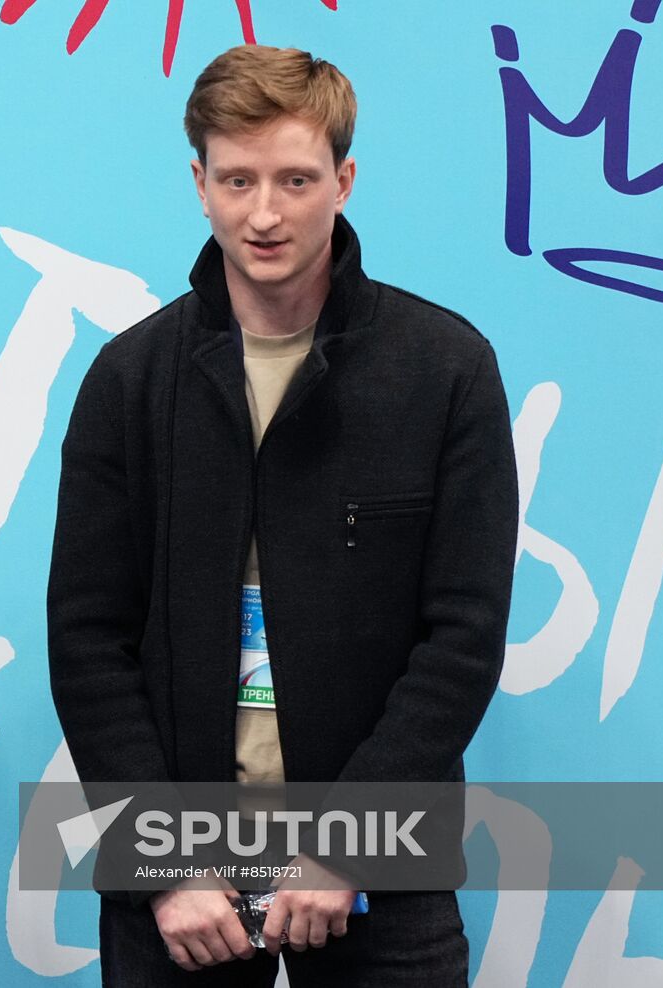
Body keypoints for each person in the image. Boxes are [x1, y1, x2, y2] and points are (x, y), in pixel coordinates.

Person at [48, 46, 518, 986]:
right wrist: (165, 865)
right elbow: (88, 640)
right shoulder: (129, 381)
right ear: (200, 183)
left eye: (296, 179)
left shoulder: (446, 370)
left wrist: (347, 845)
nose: (265, 214)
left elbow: (462, 639)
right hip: (183, 884)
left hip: (386, 868)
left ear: (343, 181)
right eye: (238, 179)